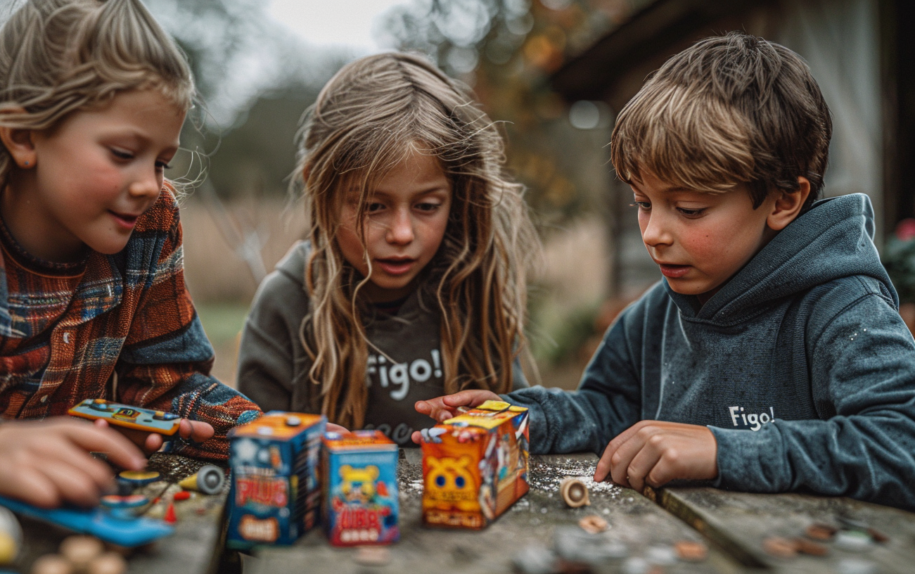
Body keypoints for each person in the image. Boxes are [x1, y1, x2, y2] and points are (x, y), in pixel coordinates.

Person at [413, 33, 915, 510]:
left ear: (784, 200)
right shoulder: (658, 310)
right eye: (643, 203)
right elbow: (608, 409)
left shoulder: (843, 309)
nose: (652, 233)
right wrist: (522, 417)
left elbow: (900, 444)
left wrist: (723, 449)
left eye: (689, 209)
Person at [0, 0, 261, 512]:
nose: (149, 186)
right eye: (123, 154)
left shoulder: (150, 227)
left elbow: (162, 388)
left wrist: (267, 436)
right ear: (24, 136)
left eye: (161, 161)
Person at [237, 53, 540, 445]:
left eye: (427, 206)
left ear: (459, 194)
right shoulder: (285, 303)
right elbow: (253, 454)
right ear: (319, 188)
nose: (401, 233)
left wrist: (500, 418)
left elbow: (520, 433)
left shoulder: (471, 286)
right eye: (372, 206)